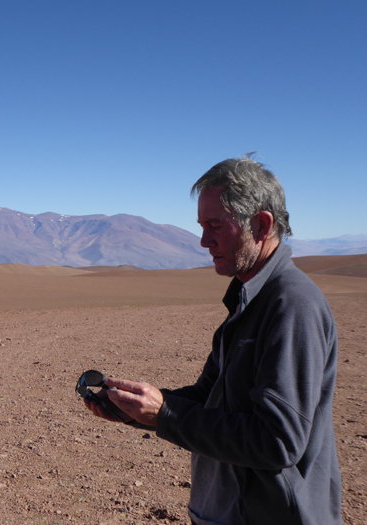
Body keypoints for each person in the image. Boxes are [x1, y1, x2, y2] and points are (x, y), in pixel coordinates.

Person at [83, 156, 343, 525]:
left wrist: (166, 414)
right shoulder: (247, 300)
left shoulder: (292, 307)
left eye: (216, 225)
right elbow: (210, 398)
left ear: (262, 224)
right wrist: (137, 410)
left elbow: (277, 440)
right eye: (202, 226)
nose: (204, 241)